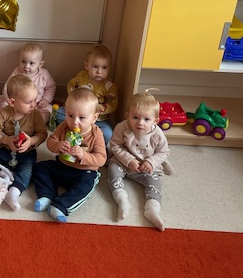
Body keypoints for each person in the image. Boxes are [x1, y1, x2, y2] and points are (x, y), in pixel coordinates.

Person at [33, 88, 106, 223]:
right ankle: (47, 196)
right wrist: (58, 145)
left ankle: (60, 205)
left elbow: (101, 159)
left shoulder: (96, 134)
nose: (75, 122)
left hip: (84, 172)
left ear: (94, 118)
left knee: (86, 186)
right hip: (62, 165)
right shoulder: (64, 126)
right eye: (70, 115)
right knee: (39, 167)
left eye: (82, 118)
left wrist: (83, 155)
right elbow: (51, 141)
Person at [107, 90, 170, 231]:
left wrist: (150, 162)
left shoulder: (157, 134)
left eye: (146, 119)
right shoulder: (122, 127)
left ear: (155, 121)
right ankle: (122, 200)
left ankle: (152, 209)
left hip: (146, 166)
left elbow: (164, 152)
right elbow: (115, 145)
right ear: (128, 115)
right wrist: (129, 160)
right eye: (135, 117)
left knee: (155, 182)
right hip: (123, 162)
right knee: (112, 170)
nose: (140, 123)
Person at [0, 74, 48, 212]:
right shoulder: (4, 112)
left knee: (28, 171)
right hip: (3, 149)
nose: (34, 105)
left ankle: (13, 192)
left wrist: (31, 141)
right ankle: (1, 174)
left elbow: (42, 134)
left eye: (35, 100)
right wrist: (6, 139)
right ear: (13, 102)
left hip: (25, 153)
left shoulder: (35, 115)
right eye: (29, 102)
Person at [56, 44, 117, 145]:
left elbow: (113, 102)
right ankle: (75, 130)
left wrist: (102, 108)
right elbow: (70, 84)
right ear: (86, 65)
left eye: (104, 68)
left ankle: (90, 136)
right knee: (58, 113)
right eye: (95, 67)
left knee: (108, 134)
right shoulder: (81, 77)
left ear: (109, 68)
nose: (99, 71)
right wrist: (73, 97)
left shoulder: (108, 86)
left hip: (99, 120)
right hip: (77, 116)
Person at [0, 42, 56, 124]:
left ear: (40, 64)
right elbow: (7, 86)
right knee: (2, 102)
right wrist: (8, 99)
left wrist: (46, 99)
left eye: (31, 63)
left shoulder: (44, 75)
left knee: (49, 109)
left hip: (36, 104)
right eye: (23, 61)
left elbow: (51, 87)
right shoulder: (17, 72)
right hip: (18, 103)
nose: (26, 66)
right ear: (19, 59)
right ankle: (11, 119)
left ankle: (35, 122)